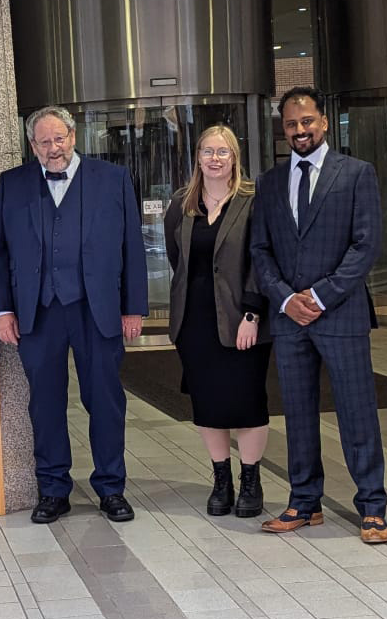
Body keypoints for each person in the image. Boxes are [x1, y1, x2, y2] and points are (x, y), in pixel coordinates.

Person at [0, 105, 148, 524]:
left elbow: (133, 245)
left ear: (73, 137)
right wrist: (3, 310)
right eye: (44, 142)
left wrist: (133, 307)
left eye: (59, 139)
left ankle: (111, 487)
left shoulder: (111, 179)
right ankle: (54, 488)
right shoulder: (13, 184)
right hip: (38, 313)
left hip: (98, 309)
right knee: (45, 404)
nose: (53, 148)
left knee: (106, 400)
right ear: (32, 145)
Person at [251, 86, 387, 543]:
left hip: (341, 313)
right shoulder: (270, 182)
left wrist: (322, 295)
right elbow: (261, 250)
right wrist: (288, 300)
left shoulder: (356, 174)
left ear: (324, 122)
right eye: (290, 124)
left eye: (306, 121)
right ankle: (304, 502)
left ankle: (372, 506)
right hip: (291, 319)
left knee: (356, 411)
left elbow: (365, 244)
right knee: (298, 413)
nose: (299, 131)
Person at [164, 124, 270, 518]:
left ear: (234, 158)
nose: (214, 159)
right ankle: (221, 479)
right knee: (208, 404)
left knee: (247, 401)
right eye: (208, 151)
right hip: (196, 321)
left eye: (222, 152)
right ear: (198, 157)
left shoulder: (253, 200)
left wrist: (251, 313)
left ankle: (251, 480)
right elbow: (180, 261)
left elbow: (262, 259)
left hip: (242, 318)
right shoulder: (182, 202)